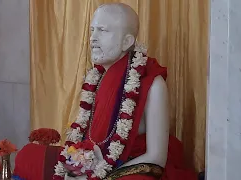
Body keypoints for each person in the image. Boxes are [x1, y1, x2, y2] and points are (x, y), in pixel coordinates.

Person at [13, 3, 197, 180]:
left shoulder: (153, 84)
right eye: (92, 30)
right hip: (94, 161)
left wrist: (102, 175)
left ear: (127, 42)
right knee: (28, 156)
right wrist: (77, 165)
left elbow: (156, 159)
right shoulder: (96, 79)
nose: (92, 38)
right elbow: (89, 140)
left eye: (102, 30)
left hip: (129, 167)